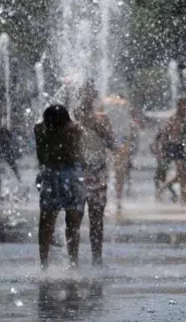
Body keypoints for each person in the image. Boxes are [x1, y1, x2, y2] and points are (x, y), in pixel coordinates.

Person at [34, 104, 85, 270]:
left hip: (50, 174)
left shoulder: (40, 130)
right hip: (71, 175)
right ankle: (73, 263)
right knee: (73, 223)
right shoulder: (74, 129)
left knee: (46, 221)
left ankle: (44, 264)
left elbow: (41, 157)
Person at [75, 83, 116, 266]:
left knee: (97, 217)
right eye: (83, 96)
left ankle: (96, 259)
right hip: (76, 174)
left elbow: (112, 144)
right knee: (74, 218)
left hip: (98, 174)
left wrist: (99, 128)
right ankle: (72, 261)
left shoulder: (102, 119)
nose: (86, 100)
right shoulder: (70, 121)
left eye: (89, 97)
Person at [155, 98, 186, 204]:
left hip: (181, 147)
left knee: (182, 174)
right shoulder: (174, 119)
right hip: (173, 147)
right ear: (178, 107)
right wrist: (162, 149)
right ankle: (183, 197)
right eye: (182, 106)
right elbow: (165, 133)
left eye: (185, 106)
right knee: (182, 173)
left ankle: (167, 188)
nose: (184, 108)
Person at [150, 126, 178, 202]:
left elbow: (167, 155)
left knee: (160, 180)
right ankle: (169, 195)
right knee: (162, 181)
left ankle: (161, 194)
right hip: (163, 164)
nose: (163, 139)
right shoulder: (160, 144)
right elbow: (153, 150)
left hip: (164, 164)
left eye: (164, 138)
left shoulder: (167, 145)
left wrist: (163, 155)